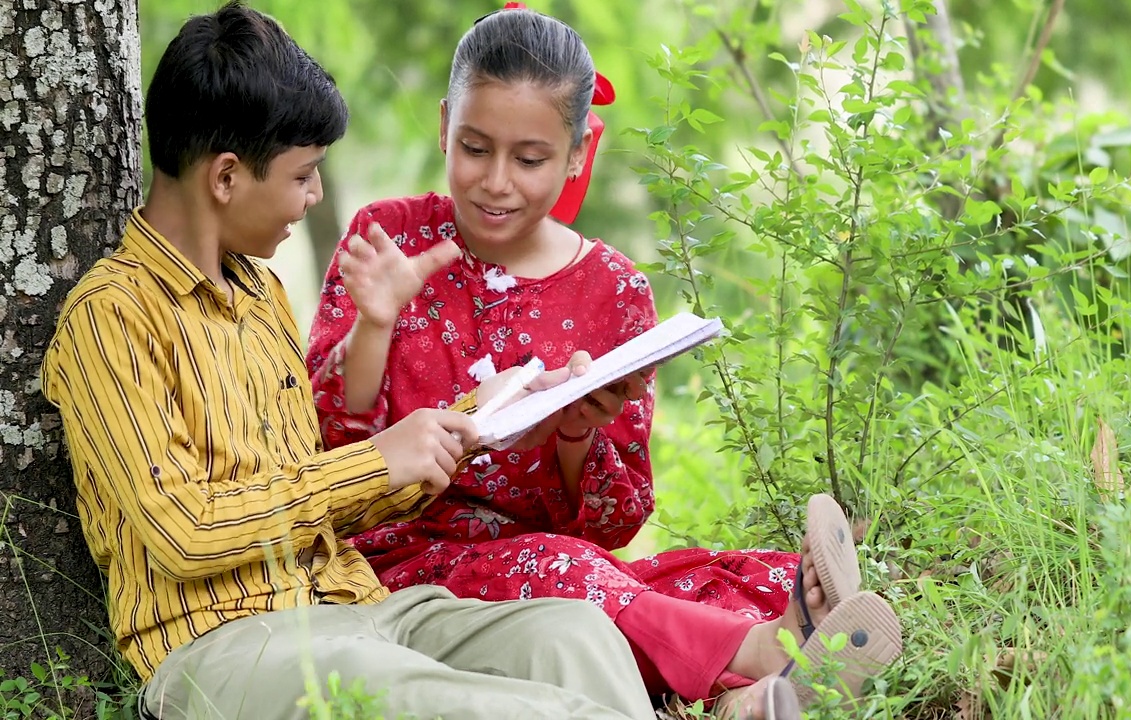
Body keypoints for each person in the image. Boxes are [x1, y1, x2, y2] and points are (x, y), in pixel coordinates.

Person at [39, 4, 661, 719]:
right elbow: (184, 531)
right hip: (227, 646)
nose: (316, 197)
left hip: (356, 607)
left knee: (572, 635)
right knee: (467, 700)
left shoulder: (260, 293)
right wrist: (375, 461)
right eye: (304, 175)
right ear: (227, 178)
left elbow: (313, 486)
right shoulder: (113, 316)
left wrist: (488, 417)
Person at [305, 5, 904, 719]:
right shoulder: (391, 237)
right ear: (443, 126)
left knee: (735, 576)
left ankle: (748, 698)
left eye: (529, 160)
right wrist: (375, 324)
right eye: (474, 148)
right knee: (573, 578)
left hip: (548, 561)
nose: (496, 181)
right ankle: (763, 657)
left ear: (579, 151)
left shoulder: (614, 289)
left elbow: (610, 526)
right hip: (396, 565)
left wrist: (575, 433)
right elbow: (326, 441)